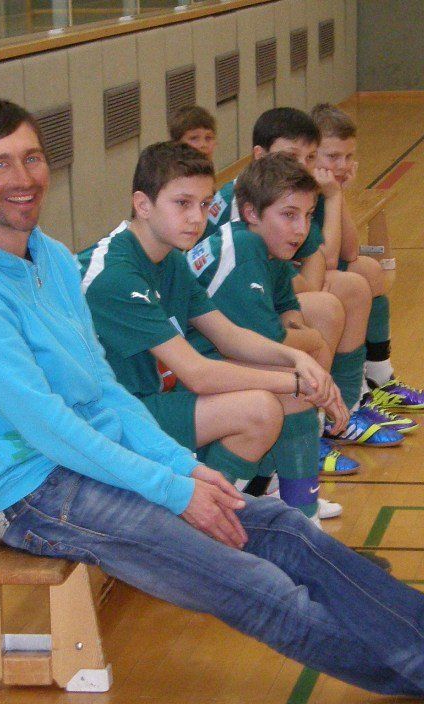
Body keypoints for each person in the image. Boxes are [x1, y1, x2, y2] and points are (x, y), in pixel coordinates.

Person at [0, 97, 424, 704]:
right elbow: (49, 427)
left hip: (92, 459)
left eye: (31, 157)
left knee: (284, 530)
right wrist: (174, 488)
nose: (23, 177)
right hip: (34, 492)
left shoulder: (49, 260)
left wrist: (181, 467)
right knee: (254, 585)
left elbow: (103, 392)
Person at [77, 141, 350, 522]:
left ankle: (301, 516)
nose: (197, 218)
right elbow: (199, 375)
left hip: (150, 398)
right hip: (105, 418)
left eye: (205, 204)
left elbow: (227, 335)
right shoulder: (116, 275)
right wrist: (296, 380)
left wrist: (297, 360)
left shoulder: (169, 258)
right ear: (143, 205)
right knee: (260, 410)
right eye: (182, 203)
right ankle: (197, 521)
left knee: (287, 393)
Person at [198, 107, 412, 448]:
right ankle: (314, 427)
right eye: (292, 156)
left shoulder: (292, 192)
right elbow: (318, 268)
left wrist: (336, 195)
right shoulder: (249, 208)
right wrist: (308, 333)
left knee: (354, 283)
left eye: (310, 157)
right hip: (220, 320)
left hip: (260, 296)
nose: (303, 165)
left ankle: (349, 405)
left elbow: (333, 256)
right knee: (324, 314)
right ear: (260, 156)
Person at [311, 103, 424, 410]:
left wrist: (340, 194)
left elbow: (350, 249)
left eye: (349, 157)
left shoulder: (327, 188)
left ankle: (379, 377)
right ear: (310, 153)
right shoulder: (302, 192)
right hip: (299, 277)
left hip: (315, 267)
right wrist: (334, 195)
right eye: (333, 157)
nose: (343, 165)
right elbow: (330, 261)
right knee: (353, 286)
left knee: (369, 269)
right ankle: (353, 395)